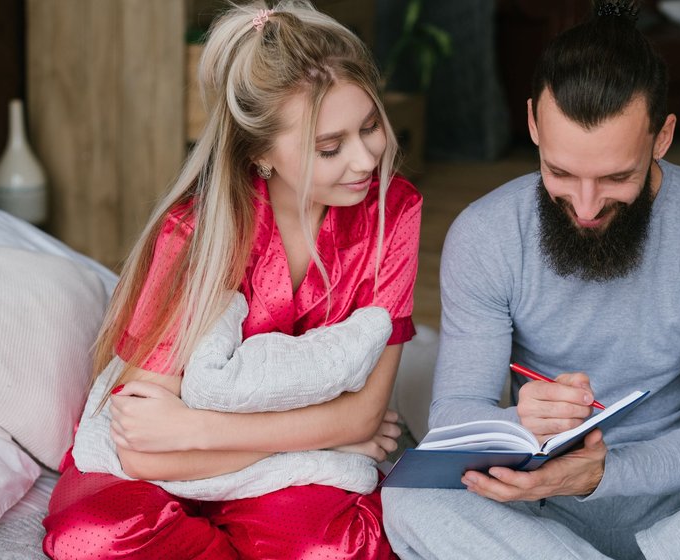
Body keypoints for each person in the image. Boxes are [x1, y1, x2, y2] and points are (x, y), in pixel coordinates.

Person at [382, 2, 680, 559]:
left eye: (616, 177)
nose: (586, 207)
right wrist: (516, 420)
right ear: (534, 125)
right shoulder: (486, 234)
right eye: (561, 173)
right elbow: (455, 410)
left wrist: (603, 473)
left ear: (662, 138)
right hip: (540, 509)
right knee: (409, 500)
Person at [42, 1, 421, 558]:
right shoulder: (191, 233)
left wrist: (194, 430)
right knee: (91, 539)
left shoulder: (394, 210)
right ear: (262, 153)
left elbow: (364, 413)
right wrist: (333, 434)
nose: (366, 159)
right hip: (162, 473)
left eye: (370, 127)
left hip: (246, 468)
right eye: (331, 148)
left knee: (334, 549)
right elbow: (145, 448)